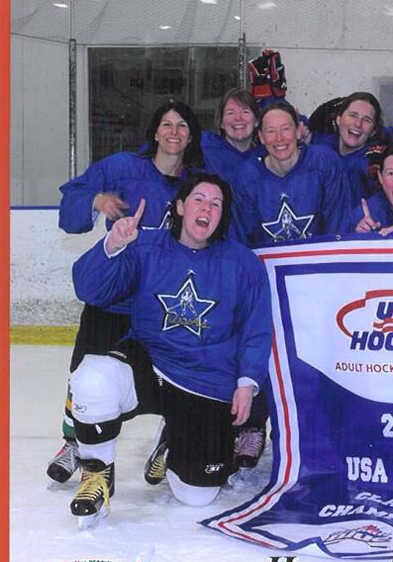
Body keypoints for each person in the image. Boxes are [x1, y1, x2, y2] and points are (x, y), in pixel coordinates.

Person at [67, 173, 271, 522]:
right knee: (92, 378)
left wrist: (246, 382)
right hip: (151, 363)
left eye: (216, 204)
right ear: (179, 207)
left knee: (196, 496)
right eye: (198, 200)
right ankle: (97, 472)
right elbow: (88, 289)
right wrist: (112, 245)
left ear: (222, 215)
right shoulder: (145, 246)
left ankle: (173, 436)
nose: (207, 209)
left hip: (206, 381)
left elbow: (257, 329)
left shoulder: (243, 263)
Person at [47, 100, 204, 486]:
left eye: (182, 126)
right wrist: (95, 200)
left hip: (165, 306)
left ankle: (170, 438)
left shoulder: (197, 183)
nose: (173, 131)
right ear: (155, 132)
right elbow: (72, 204)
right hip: (115, 299)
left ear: (191, 136)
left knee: (174, 375)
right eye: (166, 124)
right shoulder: (122, 168)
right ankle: (75, 442)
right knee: (86, 372)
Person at [231, 102, 347, 246]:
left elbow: (338, 225)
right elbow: (241, 239)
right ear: (261, 137)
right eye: (271, 131)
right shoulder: (247, 177)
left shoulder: (324, 163)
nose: (279, 138)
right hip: (266, 260)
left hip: (320, 258)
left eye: (285, 129)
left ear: (298, 131)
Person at [310, 92, 393, 215]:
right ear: (338, 119)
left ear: (373, 131)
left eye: (367, 120)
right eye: (353, 115)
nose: (358, 124)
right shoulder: (321, 146)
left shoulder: (371, 162)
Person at [200, 88, 263, 192]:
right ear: (221, 122)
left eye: (245, 112)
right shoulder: (205, 146)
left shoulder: (266, 154)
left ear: (256, 121)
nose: (238, 118)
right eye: (230, 113)